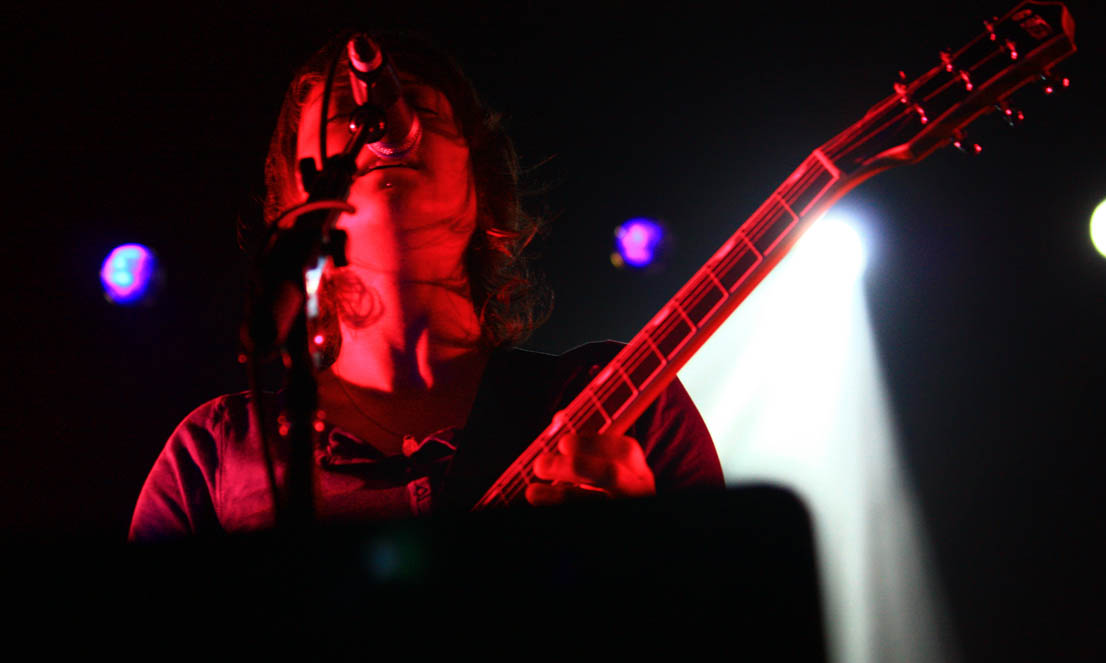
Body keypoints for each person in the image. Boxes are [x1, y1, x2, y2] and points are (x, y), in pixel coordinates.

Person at [130, 31, 723, 540]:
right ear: (296, 194)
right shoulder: (214, 455)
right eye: (347, 118)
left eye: (422, 112)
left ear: (481, 185)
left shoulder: (617, 401)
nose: (384, 124)